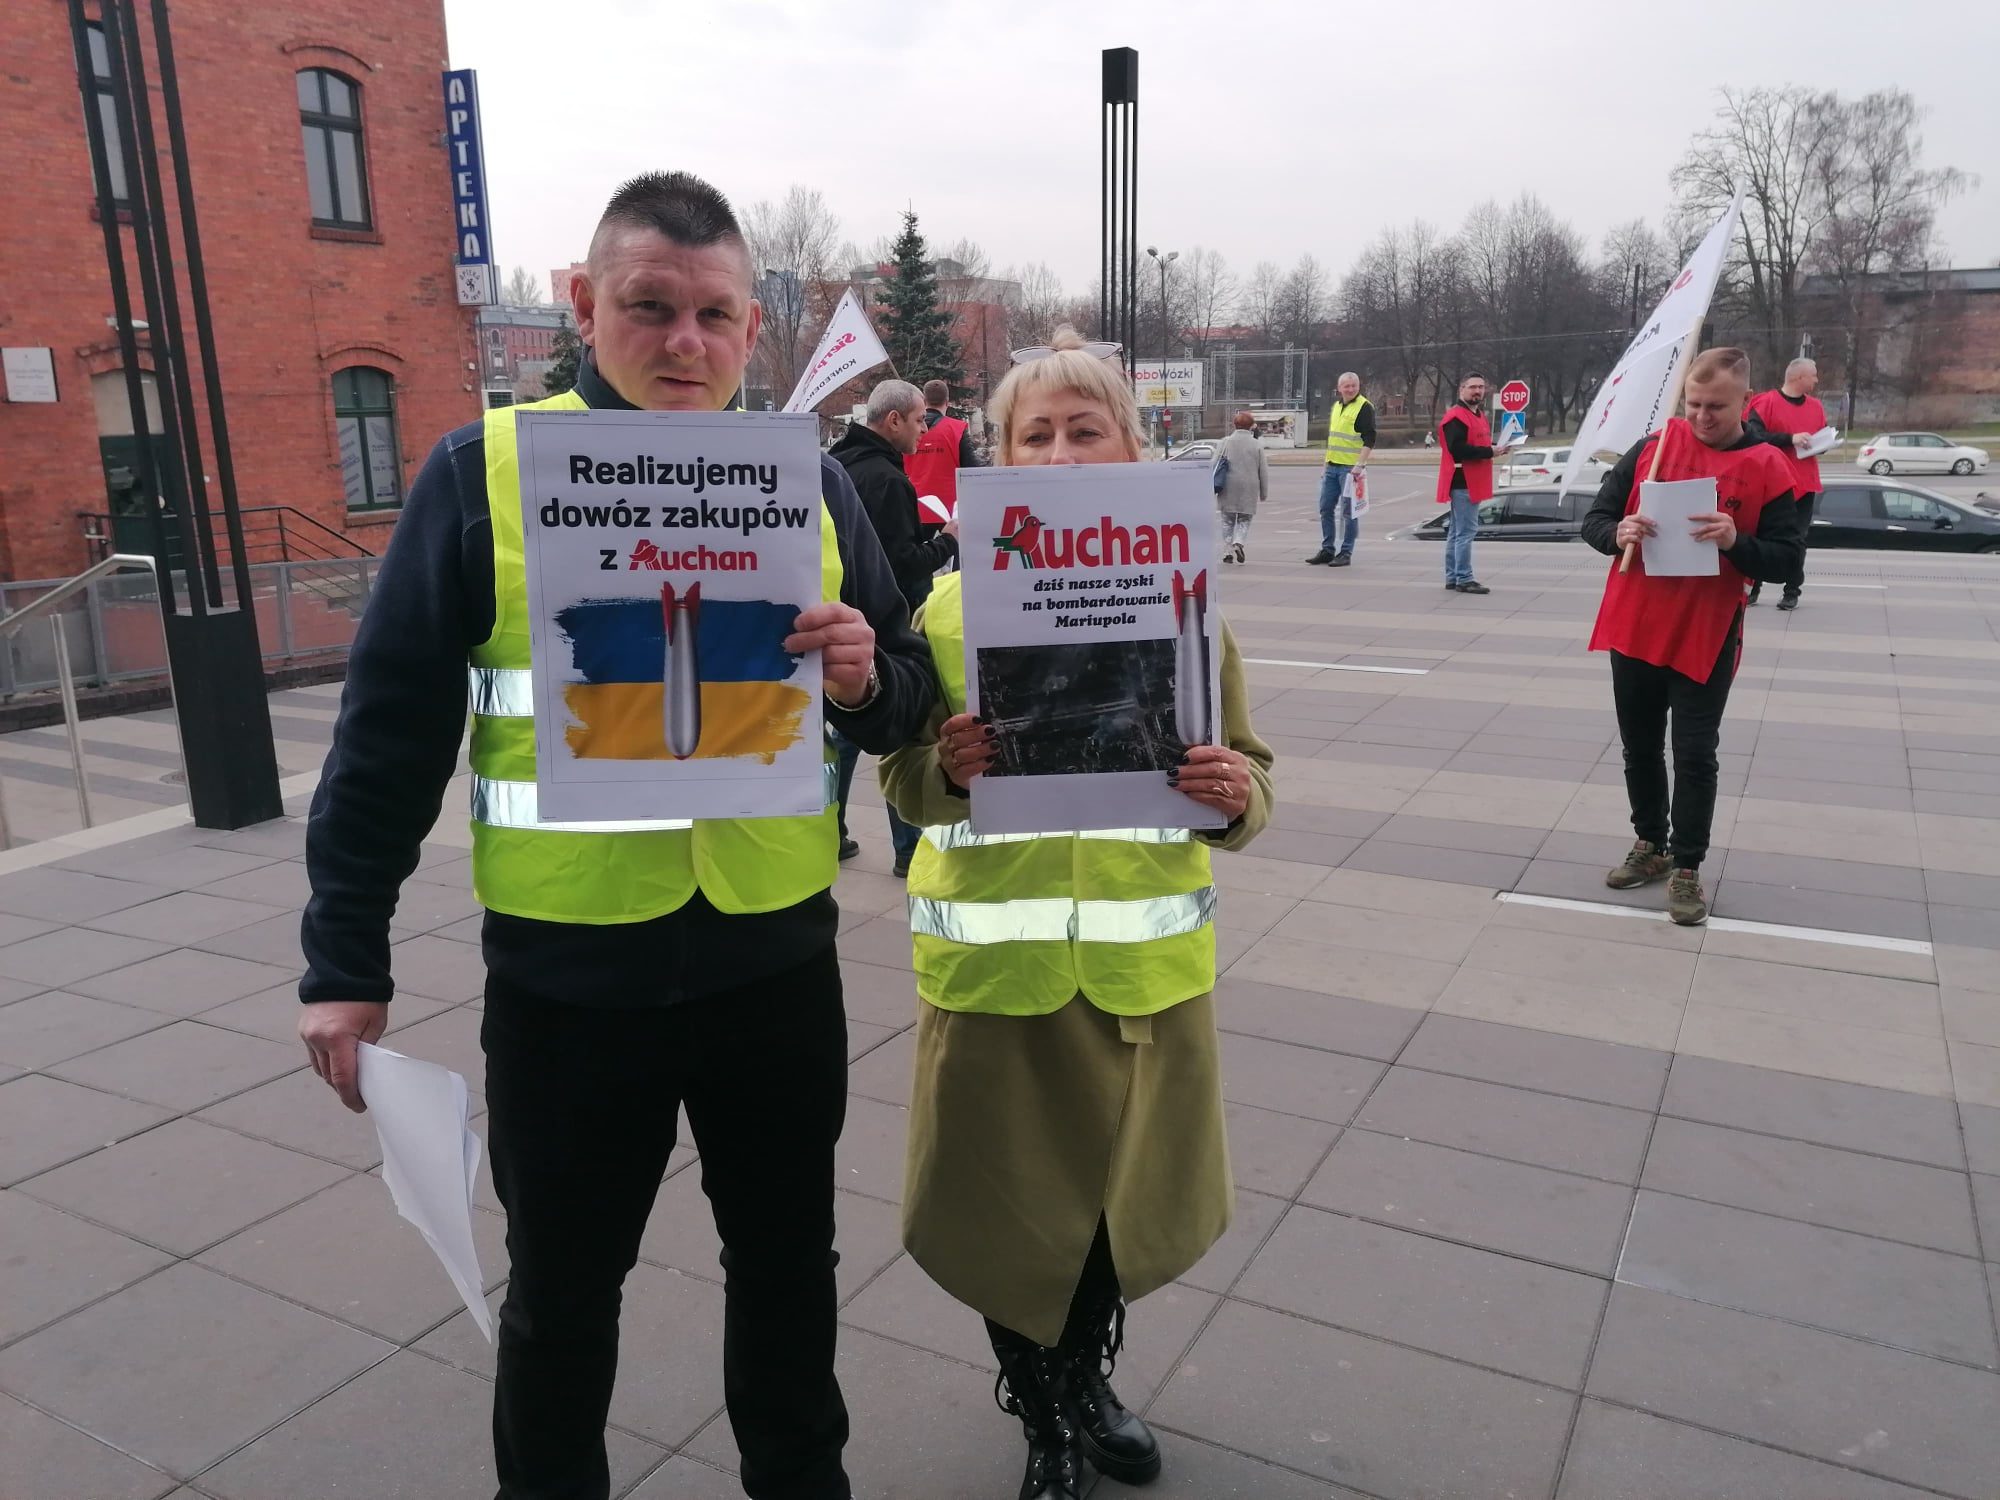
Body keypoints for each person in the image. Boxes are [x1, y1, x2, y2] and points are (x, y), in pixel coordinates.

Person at [296, 171, 935, 1500]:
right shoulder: (483, 474)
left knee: (788, 1277)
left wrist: (867, 676)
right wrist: (342, 963)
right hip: (571, 985)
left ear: (752, 326)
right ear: (585, 304)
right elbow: (389, 734)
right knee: (564, 1303)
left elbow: (902, 716)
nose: (684, 343)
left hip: (772, 971)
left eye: (714, 316)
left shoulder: (805, 483)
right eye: (649, 308)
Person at [879, 328, 1275, 1499]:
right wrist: (944, 768)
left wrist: (1232, 795)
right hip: (998, 986)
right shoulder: (945, 612)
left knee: (1110, 1224)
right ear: (994, 461)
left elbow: (1248, 775)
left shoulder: (1186, 604)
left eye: (1081, 428)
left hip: (1142, 986)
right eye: (1031, 434)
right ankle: (1042, 1412)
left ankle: (1087, 1378)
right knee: (1011, 1223)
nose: (1056, 452)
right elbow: (900, 784)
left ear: (1129, 449)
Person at [1581, 347, 1802, 925]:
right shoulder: (1652, 449)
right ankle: (1650, 845)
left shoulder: (1766, 465)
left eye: (1717, 407)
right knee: (1640, 748)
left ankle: (1687, 867)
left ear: (1746, 403)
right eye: (1694, 404)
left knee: (1696, 755)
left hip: (1706, 632)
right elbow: (1595, 519)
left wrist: (1736, 542)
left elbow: (1787, 559)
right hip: (1636, 623)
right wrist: (1617, 531)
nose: (1702, 417)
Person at [829, 378, 955, 876]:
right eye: (921, 419)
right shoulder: (888, 478)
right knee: (897, 730)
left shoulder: (840, 465)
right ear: (894, 420)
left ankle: (833, 829)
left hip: (843, 618)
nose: (924, 431)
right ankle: (907, 848)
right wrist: (947, 539)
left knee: (844, 733)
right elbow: (901, 564)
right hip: (885, 622)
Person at [1744, 357, 1827, 610]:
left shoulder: (1816, 407)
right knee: (1759, 534)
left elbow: (1820, 437)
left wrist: (1823, 443)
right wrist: (1790, 438)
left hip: (1805, 483)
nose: (1816, 379)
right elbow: (1752, 436)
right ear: (1799, 377)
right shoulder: (1765, 402)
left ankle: (1792, 591)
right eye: (1813, 375)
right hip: (1772, 481)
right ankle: (1753, 587)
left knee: (1797, 540)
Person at [1436, 373, 1505, 594]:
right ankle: (1464, 578)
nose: (1477, 391)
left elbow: (1477, 442)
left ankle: (1453, 577)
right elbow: (1457, 448)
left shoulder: (1476, 415)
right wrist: (1489, 451)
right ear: (1461, 389)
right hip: (1463, 481)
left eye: (1481, 387)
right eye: (1472, 387)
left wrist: (1496, 447)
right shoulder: (1456, 417)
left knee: (1457, 532)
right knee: (1465, 532)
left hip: (1471, 480)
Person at [1307, 372, 1375, 566]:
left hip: (1350, 469)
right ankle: (1328, 549)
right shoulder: (1337, 407)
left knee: (1348, 512)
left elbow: (1370, 438)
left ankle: (1346, 552)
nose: (1351, 389)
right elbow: (1334, 439)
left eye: (1354, 385)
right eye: (1347, 386)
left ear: (1358, 386)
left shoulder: (1364, 407)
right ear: (1339, 388)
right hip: (1332, 466)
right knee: (1325, 508)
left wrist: (1359, 464)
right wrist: (1325, 464)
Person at [905, 377, 983, 532]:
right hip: (950, 515)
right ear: (947, 402)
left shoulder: (908, 430)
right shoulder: (957, 429)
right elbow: (973, 471)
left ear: (924, 401)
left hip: (915, 509)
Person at [1214, 408, 1269, 563]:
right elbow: (1263, 470)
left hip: (1227, 487)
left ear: (1234, 425)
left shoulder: (1225, 442)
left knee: (1227, 520)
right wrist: (1263, 492)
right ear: (1252, 426)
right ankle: (1239, 542)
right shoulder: (1256, 445)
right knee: (1244, 519)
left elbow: (1214, 465)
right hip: (1249, 487)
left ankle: (1227, 551)